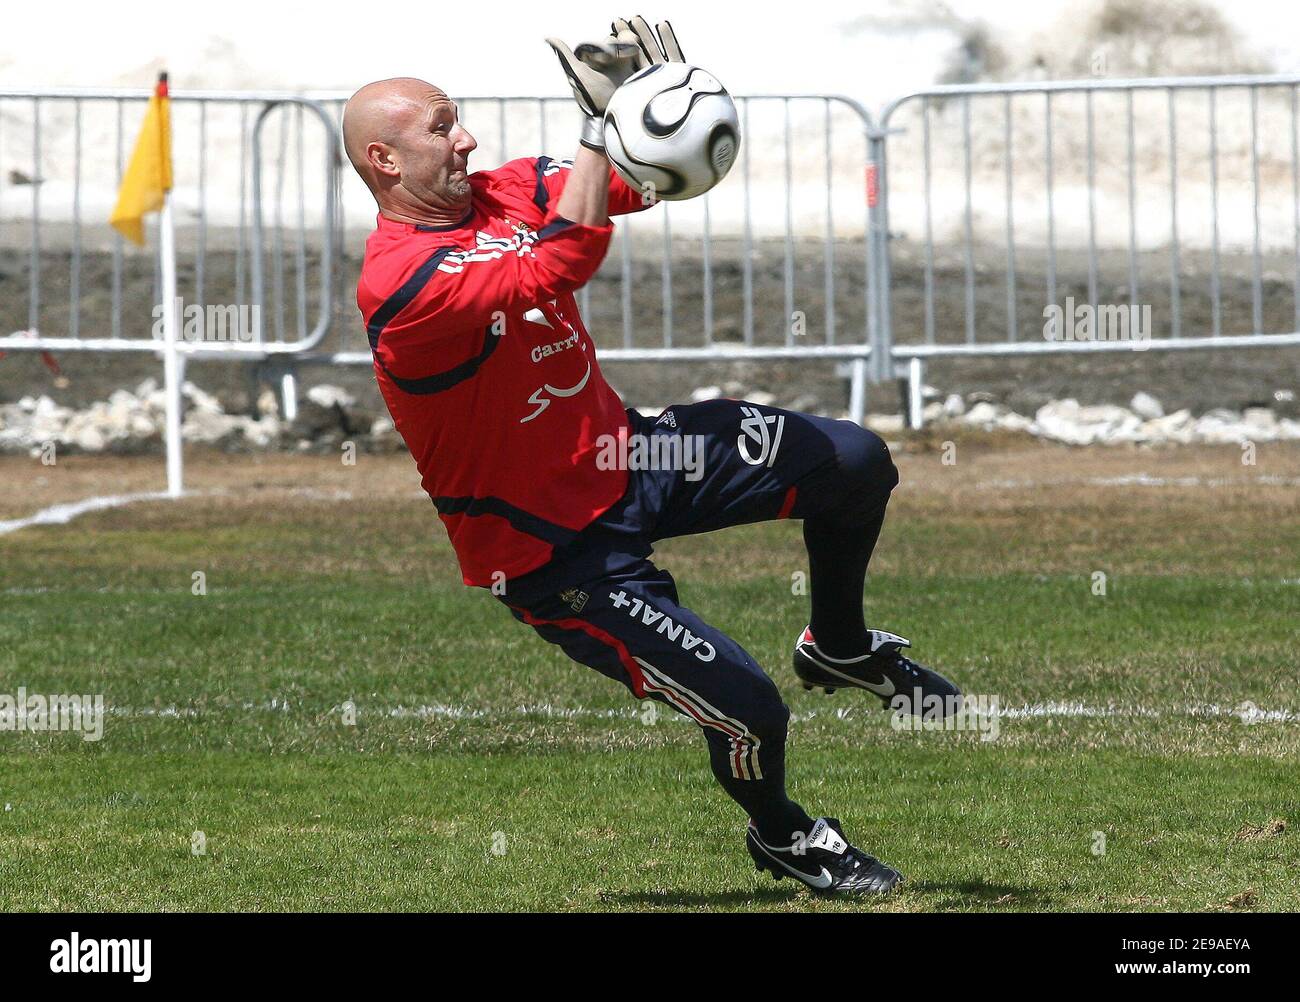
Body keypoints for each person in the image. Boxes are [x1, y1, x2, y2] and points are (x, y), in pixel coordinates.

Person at [344, 15, 959, 895]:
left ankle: (841, 643)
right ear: (384, 162)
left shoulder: (506, 189)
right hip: (553, 553)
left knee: (854, 462)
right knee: (749, 710)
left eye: (458, 118)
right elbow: (565, 260)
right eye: (441, 127)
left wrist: (660, 111)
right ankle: (783, 834)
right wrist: (599, 131)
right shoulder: (400, 280)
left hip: (628, 455)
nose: (467, 137)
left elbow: (643, 185)